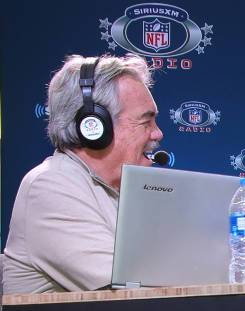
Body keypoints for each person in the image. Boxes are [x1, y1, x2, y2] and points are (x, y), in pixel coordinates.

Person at [2, 54, 163, 294]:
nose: (157, 134)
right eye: (145, 122)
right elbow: (135, 287)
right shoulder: (50, 186)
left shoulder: (123, 191)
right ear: (95, 127)